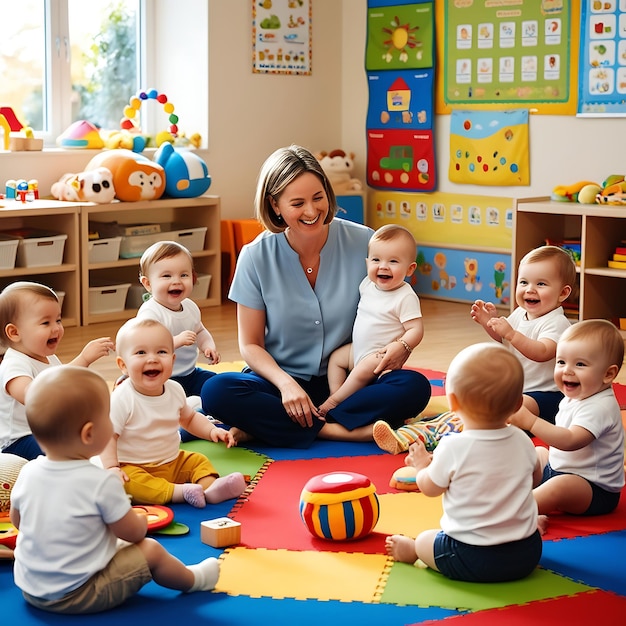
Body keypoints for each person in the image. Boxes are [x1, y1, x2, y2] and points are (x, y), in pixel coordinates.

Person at [199, 145, 431, 448]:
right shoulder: (255, 256)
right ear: (275, 205)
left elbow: (398, 301)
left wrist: (400, 346)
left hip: (350, 381)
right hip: (281, 383)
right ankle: (341, 430)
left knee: (415, 387)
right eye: (297, 203)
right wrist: (286, 385)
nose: (312, 211)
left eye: (318, 198)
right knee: (216, 391)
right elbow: (251, 345)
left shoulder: (366, 243)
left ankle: (275, 428)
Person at [10, 366, 221, 614]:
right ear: (89, 434)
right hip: (78, 594)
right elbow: (133, 533)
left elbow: (19, 521)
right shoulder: (100, 482)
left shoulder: (28, 472)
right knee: (150, 550)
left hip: (30, 587)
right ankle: (192, 580)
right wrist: (139, 522)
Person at [385, 342, 542, 583]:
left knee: (427, 539)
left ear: (453, 403)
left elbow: (429, 488)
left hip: (470, 557)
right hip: (527, 554)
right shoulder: (523, 440)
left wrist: (421, 466)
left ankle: (413, 550)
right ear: (518, 404)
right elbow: (534, 480)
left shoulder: (452, 446)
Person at [100, 317, 246, 508]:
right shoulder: (122, 398)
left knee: (197, 460)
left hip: (173, 461)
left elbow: (190, 418)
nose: (152, 358)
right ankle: (181, 493)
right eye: (141, 352)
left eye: (161, 352)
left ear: (173, 359)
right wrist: (112, 467)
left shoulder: (175, 389)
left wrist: (211, 431)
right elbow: (107, 436)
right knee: (128, 484)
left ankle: (210, 489)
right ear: (123, 365)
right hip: (134, 466)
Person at [509, 319, 625, 533]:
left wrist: (531, 421)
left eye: (580, 364)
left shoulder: (600, 407)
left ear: (608, 374)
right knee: (536, 453)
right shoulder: (576, 395)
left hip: (593, 489)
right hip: (559, 469)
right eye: (561, 362)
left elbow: (570, 441)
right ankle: (512, 493)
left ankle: (517, 513)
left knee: (559, 487)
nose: (567, 371)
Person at [0, 281, 114, 461]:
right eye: (45, 322)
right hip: (17, 441)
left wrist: (85, 358)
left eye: (58, 320)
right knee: (65, 452)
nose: (57, 328)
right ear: (14, 332)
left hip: (45, 431)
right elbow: (33, 396)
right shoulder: (14, 364)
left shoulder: (47, 356)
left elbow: (62, 380)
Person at [318, 224, 424, 416]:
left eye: (393, 261)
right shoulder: (367, 284)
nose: (383, 266)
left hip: (379, 356)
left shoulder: (405, 296)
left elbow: (416, 329)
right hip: (356, 351)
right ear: (367, 263)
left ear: (410, 269)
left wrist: (402, 345)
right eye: (376, 259)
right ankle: (337, 393)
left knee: (366, 368)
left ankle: (333, 402)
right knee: (336, 358)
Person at [471, 245, 576, 426]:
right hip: (516, 389)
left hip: (546, 395)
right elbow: (503, 339)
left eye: (541, 284)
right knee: (479, 392)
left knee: (517, 410)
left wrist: (511, 333)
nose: (530, 289)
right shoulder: (520, 313)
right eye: (524, 282)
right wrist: (489, 322)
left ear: (563, 293)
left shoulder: (557, 323)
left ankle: (502, 426)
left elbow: (542, 352)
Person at [136, 240, 220, 414]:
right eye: (167, 276)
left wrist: (208, 346)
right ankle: (186, 411)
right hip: (161, 379)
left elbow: (200, 330)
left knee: (218, 385)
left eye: (184, 275)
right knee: (163, 404)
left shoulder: (190, 307)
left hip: (190, 373)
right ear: (148, 284)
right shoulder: (151, 313)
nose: (176, 281)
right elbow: (148, 349)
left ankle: (196, 406)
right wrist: (177, 341)